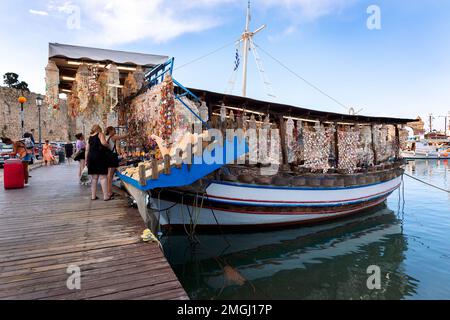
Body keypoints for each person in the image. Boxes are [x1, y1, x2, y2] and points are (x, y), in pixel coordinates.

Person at [85, 125, 111, 201]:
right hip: (100, 157)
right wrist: (108, 145)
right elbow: (103, 143)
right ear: (98, 129)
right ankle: (106, 196)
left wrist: (86, 160)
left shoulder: (89, 137)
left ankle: (93, 196)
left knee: (94, 178)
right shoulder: (100, 134)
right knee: (103, 177)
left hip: (91, 158)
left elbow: (87, 150)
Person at [105, 126, 128, 199]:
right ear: (111, 130)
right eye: (114, 130)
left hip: (109, 157)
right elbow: (122, 136)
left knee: (110, 175)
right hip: (112, 157)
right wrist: (129, 133)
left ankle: (109, 191)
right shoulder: (113, 137)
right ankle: (109, 192)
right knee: (110, 175)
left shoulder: (108, 138)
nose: (115, 131)